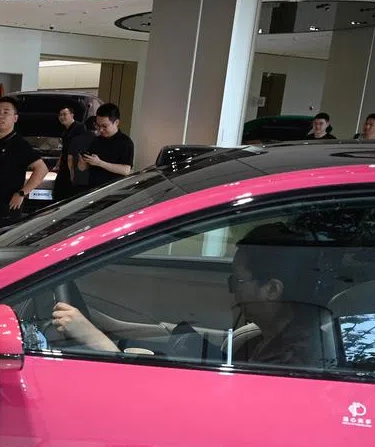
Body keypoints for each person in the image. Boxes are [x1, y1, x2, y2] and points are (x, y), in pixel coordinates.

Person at [51, 223, 327, 368]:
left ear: (272, 290)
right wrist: (103, 325)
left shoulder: (292, 361)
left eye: (237, 280)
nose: (232, 289)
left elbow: (214, 410)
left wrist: (100, 344)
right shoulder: (273, 337)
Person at [0, 96, 48, 238]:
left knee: (1, 244)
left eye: (6, 112)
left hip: (7, 208)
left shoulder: (20, 144)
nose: (1, 116)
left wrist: (22, 193)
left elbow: (42, 169)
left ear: (15, 118)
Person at [78, 103, 134, 189]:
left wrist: (100, 163)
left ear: (116, 122)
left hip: (113, 191)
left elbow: (126, 170)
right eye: (98, 125)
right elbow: (83, 168)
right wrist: (83, 162)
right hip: (93, 189)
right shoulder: (96, 140)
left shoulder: (125, 142)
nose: (100, 129)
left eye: (104, 126)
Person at [53, 105, 86, 201]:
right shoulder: (65, 132)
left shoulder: (79, 128)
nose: (62, 117)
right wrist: (57, 165)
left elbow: (79, 151)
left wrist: (73, 172)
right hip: (65, 166)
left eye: (64, 114)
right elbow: (64, 151)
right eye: (60, 115)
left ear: (72, 115)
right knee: (58, 194)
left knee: (68, 195)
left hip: (74, 167)